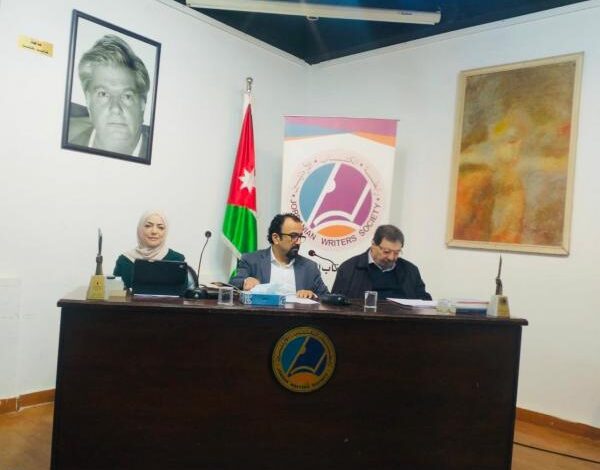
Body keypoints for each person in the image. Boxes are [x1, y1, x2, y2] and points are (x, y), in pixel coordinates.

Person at [68, 34, 150, 158]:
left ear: (142, 104)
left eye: (127, 96)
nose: (115, 108)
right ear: (88, 101)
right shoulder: (65, 135)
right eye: (103, 94)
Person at [229, 213, 328, 299]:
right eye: (293, 236)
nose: (298, 242)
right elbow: (233, 284)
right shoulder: (251, 260)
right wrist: (245, 281)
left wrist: (313, 295)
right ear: (276, 238)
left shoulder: (310, 267)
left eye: (300, 236)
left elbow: (327, 297)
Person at [332, 224, 431, 300]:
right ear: (373, 244)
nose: (391, 258)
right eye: (386, 252)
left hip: (402, 320)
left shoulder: (410, 271)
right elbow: (335, 305)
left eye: (397, 252)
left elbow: (424, 302)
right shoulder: (349, 268)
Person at [114, 210, 185, 289]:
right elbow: (114, 293)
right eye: (148, 226)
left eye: (160, 227)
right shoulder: (124, 260)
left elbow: (182, 293)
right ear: (140, 229)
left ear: (166, 232)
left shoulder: (177, 259)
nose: (154, 231)